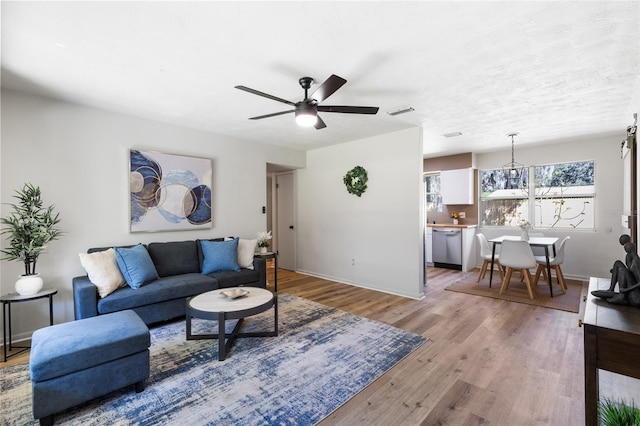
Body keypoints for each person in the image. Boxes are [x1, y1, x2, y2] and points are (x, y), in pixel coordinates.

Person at [592, 237, 640, 307]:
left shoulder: (636, 262)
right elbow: (631, 274)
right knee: (617, 263)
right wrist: (615, 271)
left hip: (636, 296)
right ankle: (611, 289)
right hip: (631, 287)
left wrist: (626, 290)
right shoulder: (630, 258)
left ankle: (622, 296)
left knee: (622, 270)